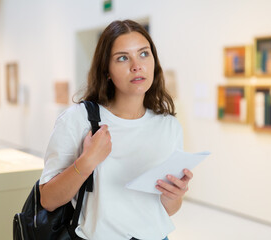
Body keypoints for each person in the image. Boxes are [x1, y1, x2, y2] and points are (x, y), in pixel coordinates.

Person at [39, 19, 193, 240]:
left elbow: (165, 210)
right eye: (122, 58)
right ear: (107, 71)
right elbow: (48, 199)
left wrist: (174, 195)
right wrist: (86, 163)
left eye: (144, 54)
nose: (136, 65)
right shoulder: (78, 120)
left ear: (154, 61)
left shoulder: (168, 126)